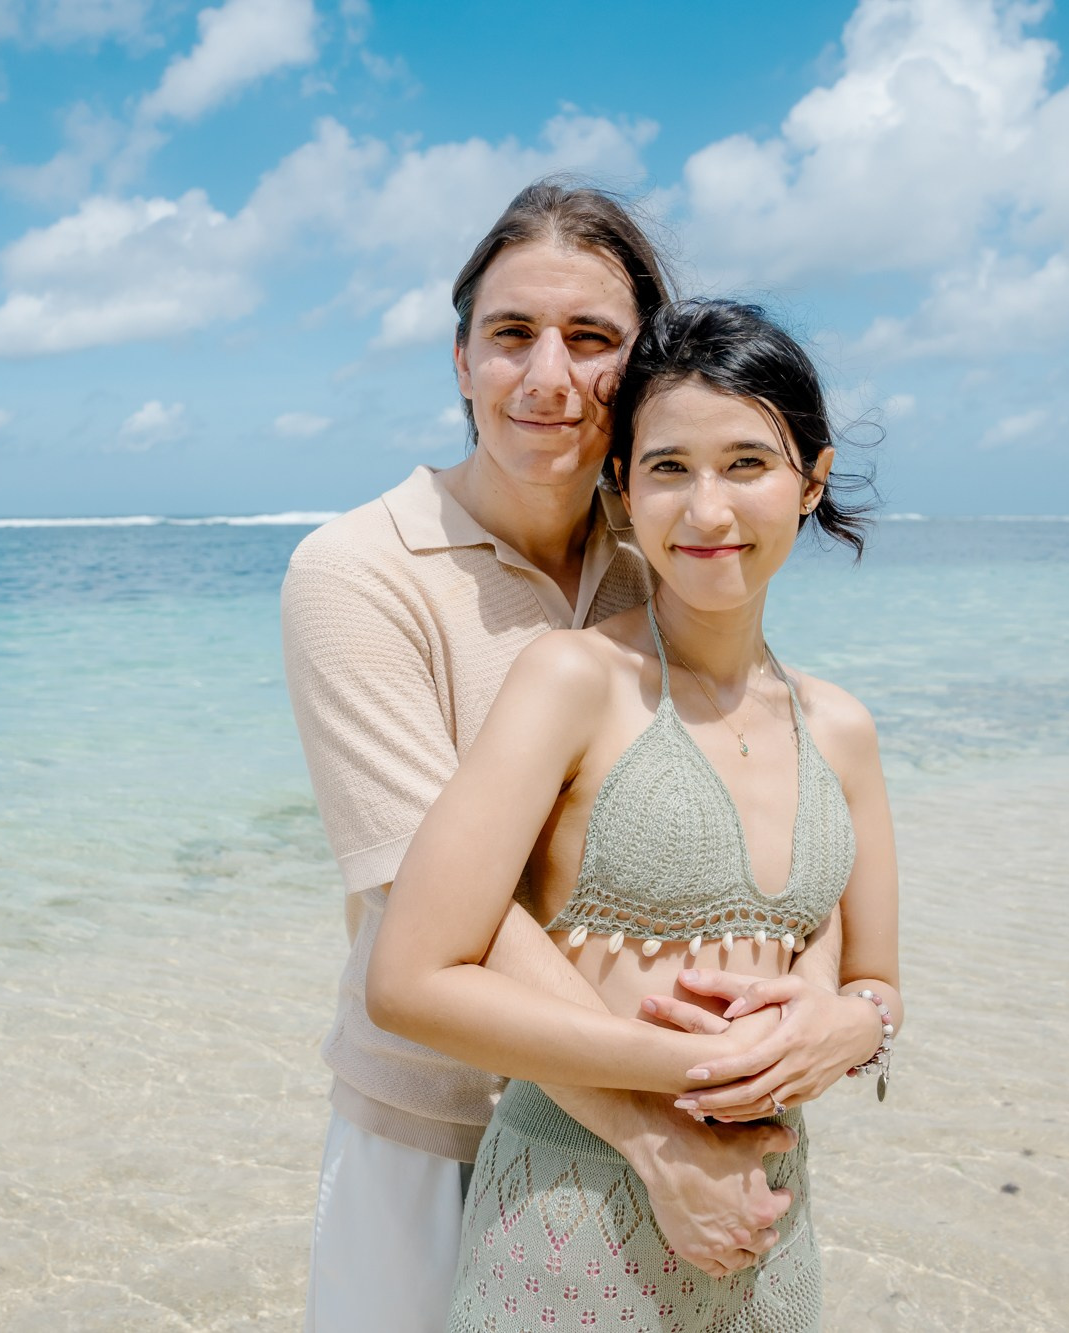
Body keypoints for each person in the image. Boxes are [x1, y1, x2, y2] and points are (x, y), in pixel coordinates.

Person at [283, 182, 865, 1331]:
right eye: (510, 335)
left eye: (591, 339)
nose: (548, 377)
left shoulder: (665, 533)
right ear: (459, 360)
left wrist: (844, 1013)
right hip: (434, 1118)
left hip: (660, 1135)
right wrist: (651, 1129)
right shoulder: (358, 571)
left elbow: (770, 803)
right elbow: (440, 901)